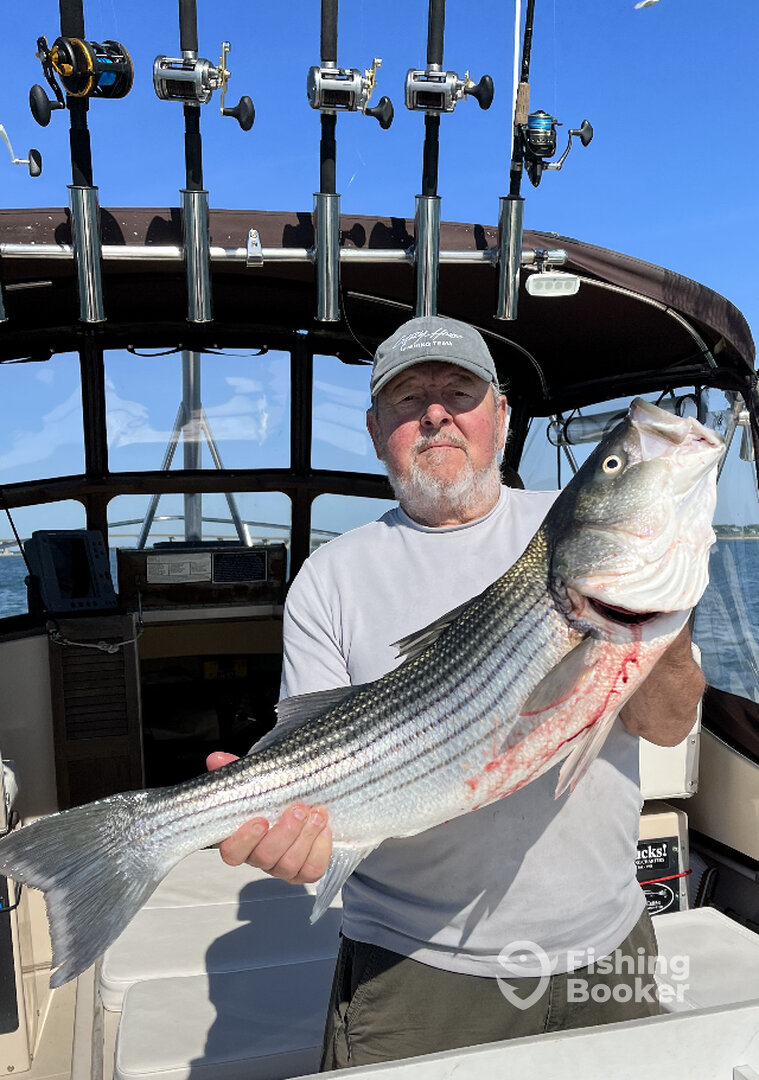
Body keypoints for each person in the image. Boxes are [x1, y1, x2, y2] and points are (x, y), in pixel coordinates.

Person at [208, 315, 704, 1067]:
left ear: (499, 418)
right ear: (376, 431)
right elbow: (315, 762)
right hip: (416, 967)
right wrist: (295, 833)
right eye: (408, 400)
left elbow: (666, 726)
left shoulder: (567, 530)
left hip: (608, 943)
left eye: (459, 394)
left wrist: (658, 620)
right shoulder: (330, 578)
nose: (435, 414)